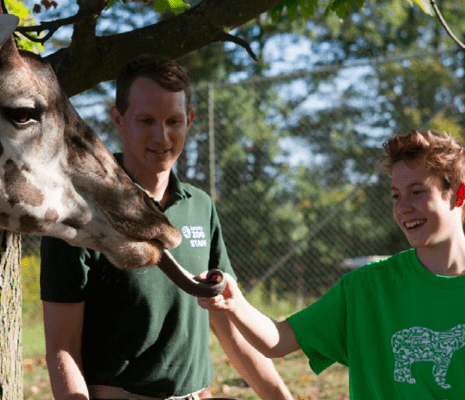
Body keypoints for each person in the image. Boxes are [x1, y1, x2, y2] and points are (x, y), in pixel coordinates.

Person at [40, 55, 293, 400]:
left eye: (173, 121)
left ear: (189, 121)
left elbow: (226, 324)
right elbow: (62, 348)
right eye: (146, 121)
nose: (162, 136)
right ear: (118, 119)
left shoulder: (200, 206)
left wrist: (281, 397)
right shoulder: (81, 211)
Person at [199, 129, 465, 398]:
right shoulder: (367, 287)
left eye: (417, 192)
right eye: (396, 195)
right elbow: (278, 341)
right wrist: (235, 303)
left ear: (458, 194)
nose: (403, 207)